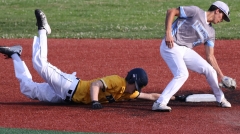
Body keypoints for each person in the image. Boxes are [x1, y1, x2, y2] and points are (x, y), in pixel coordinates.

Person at [0, 9, 185, 110]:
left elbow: (151, 96)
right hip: (70, 86)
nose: (135, 91)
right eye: (135, 87)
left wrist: (173, 97)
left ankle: (15, 54)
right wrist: (95, 101)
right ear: (131, 81)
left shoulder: (127, 92)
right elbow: (95, 84)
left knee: (27, 89)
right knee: (40, 64)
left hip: (62, 98)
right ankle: (43, 29)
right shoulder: (117, 81)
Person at [152, 1, 232, 111]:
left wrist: (222, 76)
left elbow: (210, 56)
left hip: (185, 50)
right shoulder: (196, 12)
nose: (222, 20)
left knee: (209, 70)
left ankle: (221, 99)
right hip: (170, 45)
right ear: (217, 10)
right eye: (223, 16)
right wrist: (168, 33)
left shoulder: (211, 32)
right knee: (182, 74)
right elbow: (171, 11)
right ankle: (159, 102)